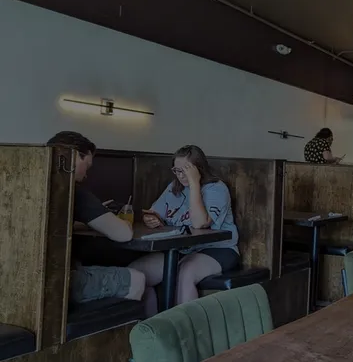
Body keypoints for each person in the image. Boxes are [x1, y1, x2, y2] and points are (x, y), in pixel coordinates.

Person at [129, 145, 239, 316]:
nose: (180, 175)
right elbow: (153, 212)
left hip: (217, 249)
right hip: (180, 249)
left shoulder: (216, 189)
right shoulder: (174, 187)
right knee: (137, 275)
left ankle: (186, 330)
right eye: (177, 170)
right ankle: (155, 326)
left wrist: (194, 184)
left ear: (198, 168)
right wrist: (151, 219)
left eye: (185, 170)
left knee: (184, 274)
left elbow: (200, 223)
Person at [46, 131, 145, 304]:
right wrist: (122, 221)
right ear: (74, 156)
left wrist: (89, 219)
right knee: (138, 278)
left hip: (27, 277)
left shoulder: (36, 181)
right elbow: (124, 234)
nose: (86, 175)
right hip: (56, 283)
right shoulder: (73, 191)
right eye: (87, 165)